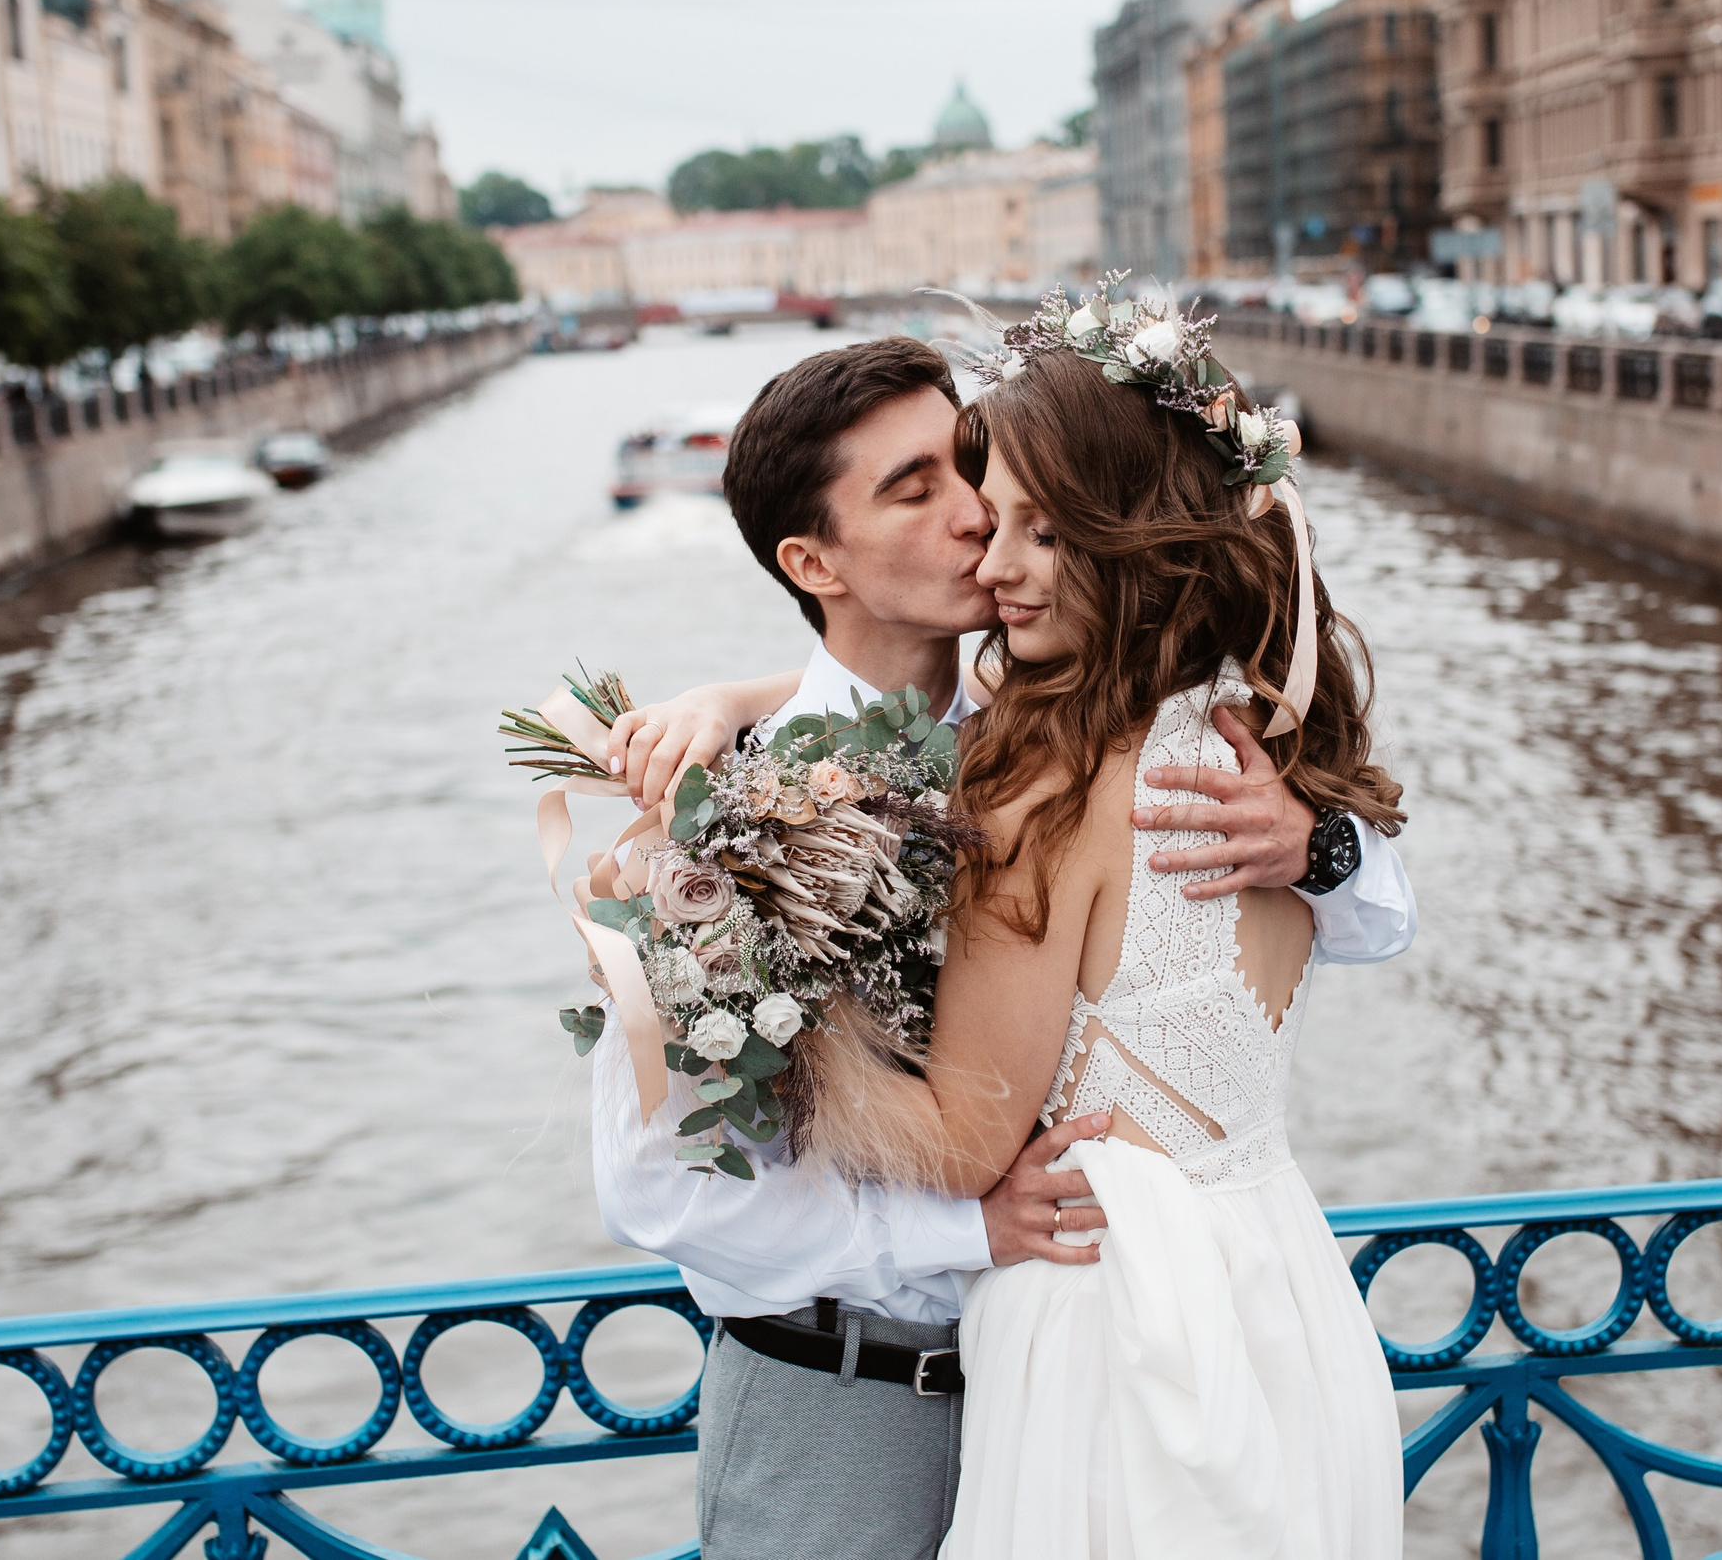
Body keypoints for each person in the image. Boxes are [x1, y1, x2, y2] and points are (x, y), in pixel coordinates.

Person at [586, 336, 1417, 1560]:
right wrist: (967, 1233)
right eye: (915, 490)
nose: (977, 517)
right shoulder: (716, 817)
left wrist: (1320, 844)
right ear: (814, 562)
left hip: (1088, 1350)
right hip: (847, 1405)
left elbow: (1373, 917)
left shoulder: (1065, 727)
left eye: (971, 467)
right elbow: (653, 1187)